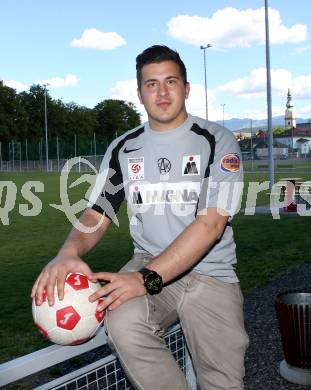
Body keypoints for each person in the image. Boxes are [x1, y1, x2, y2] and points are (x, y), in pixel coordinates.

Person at [31, 45, 249, 390]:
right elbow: (97, 211)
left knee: (224, 382)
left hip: (211, 273)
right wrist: (68, 252)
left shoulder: (217, 140)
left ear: (187, 88)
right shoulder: (122, 147)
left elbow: (210, 225)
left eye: (171, 81)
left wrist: (144, 279)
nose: (162, 93)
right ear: (139, 93)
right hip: (148, 261)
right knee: (122, 322)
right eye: (151, 84)